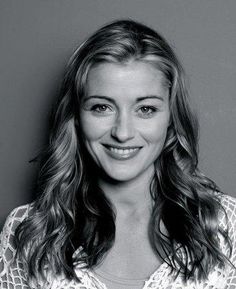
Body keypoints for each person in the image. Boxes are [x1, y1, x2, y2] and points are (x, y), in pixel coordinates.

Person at [0, 19, 236, 289]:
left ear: (172, 118)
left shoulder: (225, 228)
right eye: (102, 107)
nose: (123, 133)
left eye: (145, 109)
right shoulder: (30, 233)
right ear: (75, 117)